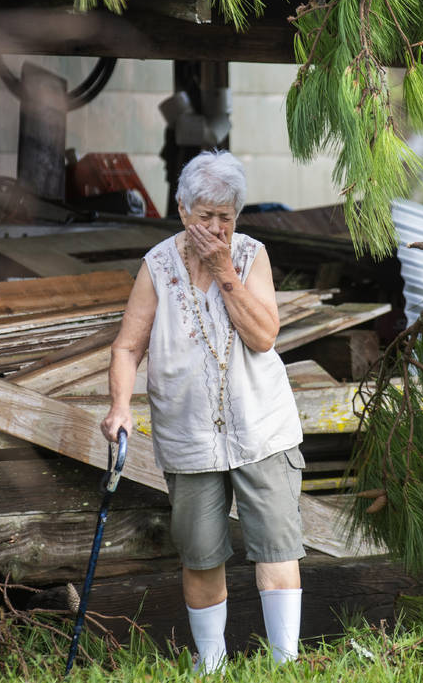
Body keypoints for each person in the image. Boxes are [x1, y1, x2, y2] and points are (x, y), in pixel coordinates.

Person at [100, 150, 306, 672]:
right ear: (181, 209)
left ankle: (285, 664)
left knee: (277, 546)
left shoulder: (251, 255)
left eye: (226, 217)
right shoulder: (158, 265)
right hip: (188, 434)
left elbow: (264, 335)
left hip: (261, 427)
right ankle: (210, 664)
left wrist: (224, 270)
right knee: (201, 552)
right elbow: (127, 347)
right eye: (205, 216)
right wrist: (120, 407)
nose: (215, 228)